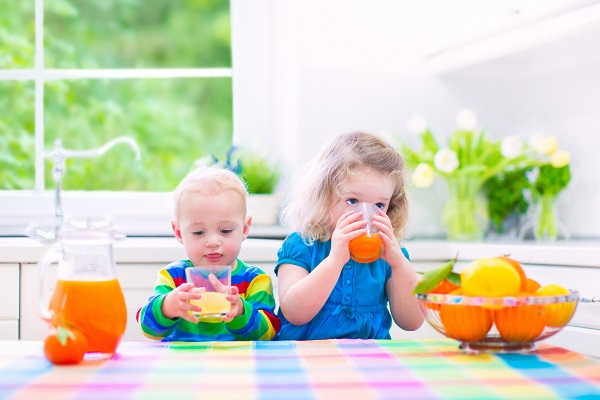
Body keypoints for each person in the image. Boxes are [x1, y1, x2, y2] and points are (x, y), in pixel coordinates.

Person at [275, 131, 424, 340]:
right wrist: (335, 260)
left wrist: (399, 263)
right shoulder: (302, 245)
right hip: (307, 359)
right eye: (353, 201)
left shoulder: (390, 256)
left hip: (369, 362)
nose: (366, 216)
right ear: (324, 196)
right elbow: (294, 313)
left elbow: (412, 322)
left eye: (379, 205)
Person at [137, 165, 281, 341]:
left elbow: (268, 334)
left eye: (226, 231)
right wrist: (167, 307)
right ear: (179, 232)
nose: (213, 242)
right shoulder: (173, 277)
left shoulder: (255, 280)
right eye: (198, 232)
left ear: (244, 228)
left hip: (238, 365)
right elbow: (148, 329)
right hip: (183, 365)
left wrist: (241, 312)